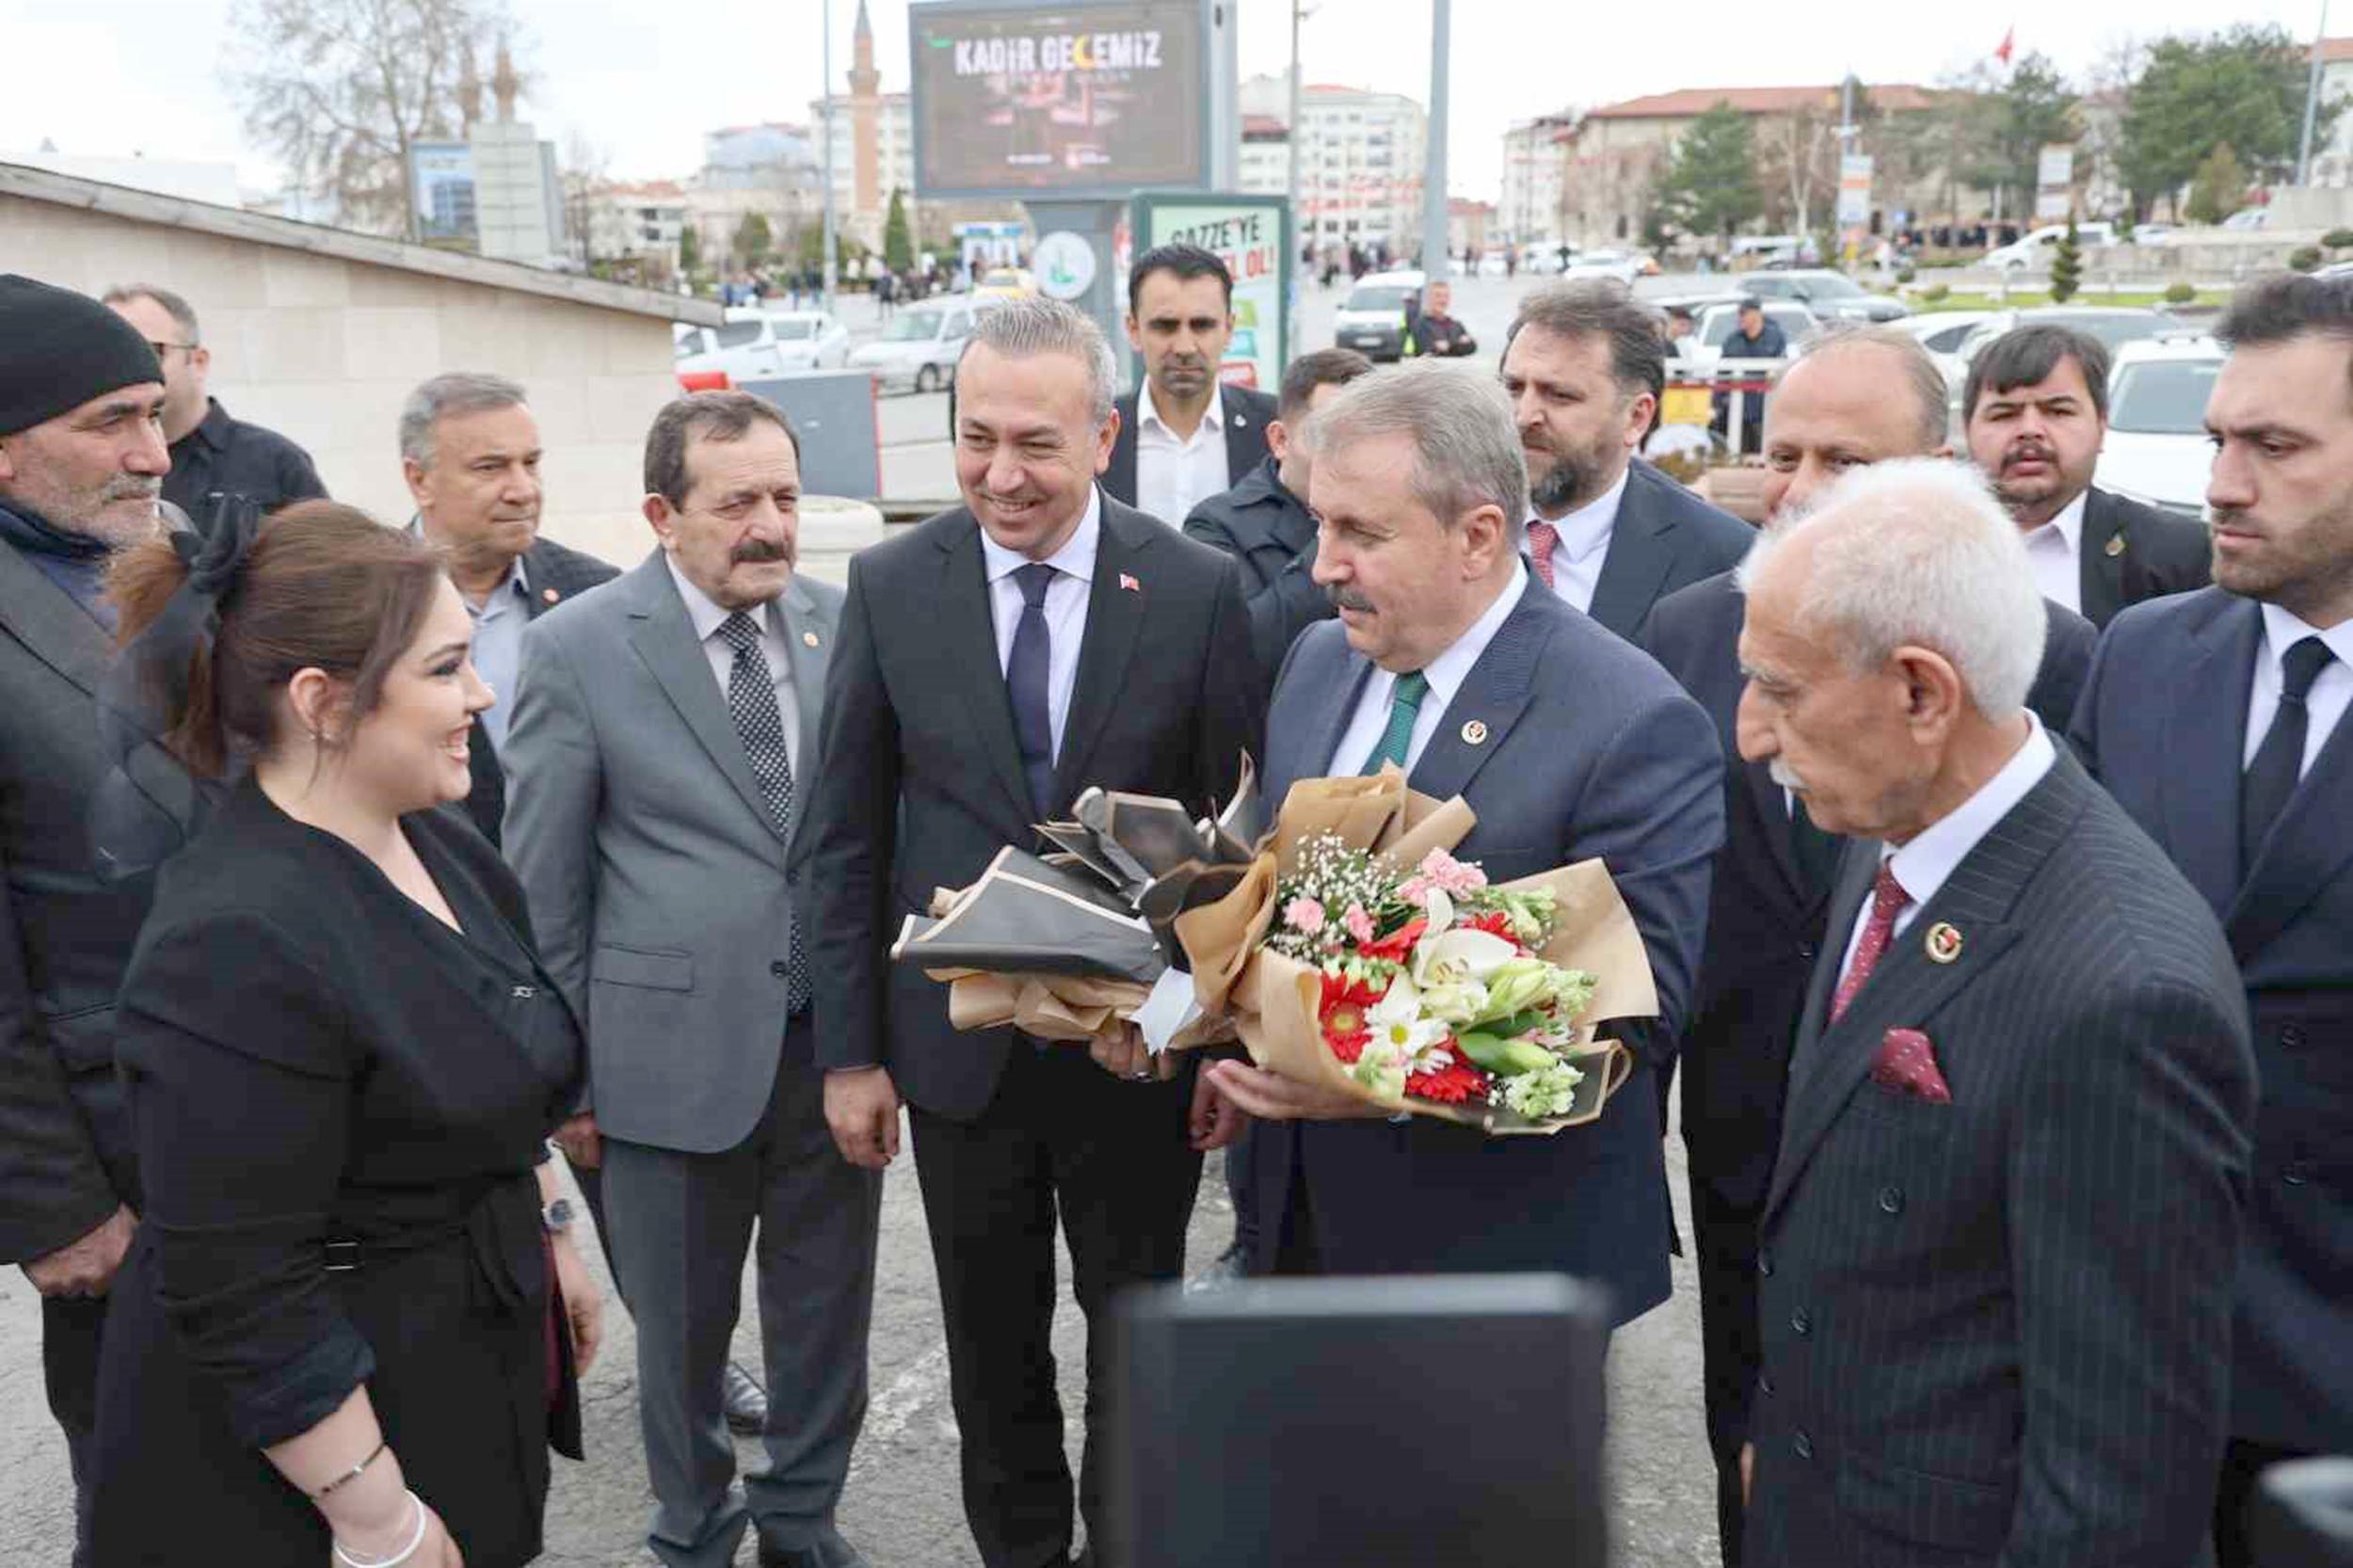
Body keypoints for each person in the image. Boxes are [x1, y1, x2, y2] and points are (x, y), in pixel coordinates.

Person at [804, 297, 1261, 1568]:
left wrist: (1196, 1028)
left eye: (1038, 444)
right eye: (975, 438)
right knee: (989, 1355)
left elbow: (1239, 852)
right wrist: (849, 1052)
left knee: (1137, 1345)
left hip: (1138, 1062)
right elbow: (841, 835)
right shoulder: (894, 583)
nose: (1002, 474)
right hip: (960, 1060)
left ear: (1105, 436)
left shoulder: (1196, 590)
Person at [1734, 458, 2254, 1568]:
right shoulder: (1890, 834)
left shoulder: (2122, 993)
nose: (1750, 734)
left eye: (1779, 690)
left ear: (1922, 694)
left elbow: (2117, 1478)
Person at [1635, 325, 2099, 1567]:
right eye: (1780, 451)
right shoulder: (1683, 631)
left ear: (1937, 472)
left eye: (1845, 459)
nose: (1794, 490)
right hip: (1747, 1140)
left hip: (1944, 1166)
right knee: (1751, 1442)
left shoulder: (2042, 654)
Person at [89, 502, 604, 1568]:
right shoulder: (232, 942)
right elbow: (238, 1280)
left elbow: (497, 1058)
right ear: (323, 702)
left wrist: (553, 1223)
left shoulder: (437, 833)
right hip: (312, 1450)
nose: (483, 693)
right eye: (446, 666)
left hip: (458, 1357)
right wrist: (379, 1521)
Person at [1205, 360, 1723, 1328]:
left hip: (1497, 1262)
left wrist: (1381, 1081)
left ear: (1479, 536)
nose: (1323, 565)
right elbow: (1286, 902)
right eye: (1320, 522)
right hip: (1296, 1226)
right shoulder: (1319, 661)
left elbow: (1631, 1015)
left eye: (1361, 532)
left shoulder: (1634, 720)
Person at [504, 392, 878, 1568]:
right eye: (738, 504)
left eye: (784, 498)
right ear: (664, 514)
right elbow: (543, 888)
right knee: (681, 1333)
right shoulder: (578, 647)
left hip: (830, 1050)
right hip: (657, 1060)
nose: (770, 526)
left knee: (825, 1323)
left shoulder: (842, 622)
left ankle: (802, 1520)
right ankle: (696, 1525)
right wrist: (562, 1078)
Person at [2068, 273, 2353, 1567]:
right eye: (2219, 442)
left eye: (2276, 448)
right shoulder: (2142, 656)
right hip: (2127, 1362)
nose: (2225, 485)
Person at [0, 274, 178, 1568]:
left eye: (157, 412)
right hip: (109, 1169)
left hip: (244, 1122)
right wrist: (53, 1203)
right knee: (153, 1500)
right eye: (113, 418)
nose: (151, 451)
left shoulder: (151, 565)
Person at [400, 373, 618, 850]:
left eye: (531, 463)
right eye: (490, 468)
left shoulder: (597, 596)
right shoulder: (368, 604)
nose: (523, 490)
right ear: (420, 480)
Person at [1498, 280, 1753, 639]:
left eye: (1560, 395)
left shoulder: (1723, 563)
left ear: (1637, 417)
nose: (1525, 416)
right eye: (1513, 388)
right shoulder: (1443, 516)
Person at [1961, 322, 2211, 627]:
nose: (2030, 431)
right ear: (1967, 430)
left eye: (2058, 411)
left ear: (2101, 426)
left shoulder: (2179, 555)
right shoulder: (1921, 550)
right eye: (2004, 414)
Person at [1182, 345, 1376, 686]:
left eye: (1366, 439)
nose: (1351, 457)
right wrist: (1337, 526)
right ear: (1280, 440)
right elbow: (1246, 651)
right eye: (1330, 437)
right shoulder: (1216, 525)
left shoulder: (1392, 517)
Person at [102, 282, 328, 517]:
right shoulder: (90, 462)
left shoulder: (276, 461)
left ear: (198, 362)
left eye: (149, 352)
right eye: (110, 355)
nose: (126, 370)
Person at [1105, 243, 1278, 525]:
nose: (1185, 347)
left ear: (1229, 329)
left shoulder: (1275, 429)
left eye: (1201, 325)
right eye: (1165, 326)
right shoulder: (1095, 434)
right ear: (1133, 330)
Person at [1721, 298, 1788, 456]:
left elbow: (1782, 371)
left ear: (1757, 313)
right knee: (1737, 450)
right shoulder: (1732, 340)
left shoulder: (1775, 338)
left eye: (1744, 314)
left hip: (1764, 407)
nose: (1740, 318)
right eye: (1739, 314)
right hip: (1738, 408)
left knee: (1765, 450)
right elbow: (1723, 375)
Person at [1407, 279, 1478, 359]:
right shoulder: (1420, 324)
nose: (1442, 300)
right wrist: (1458, 344)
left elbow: (1472, 347)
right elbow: (1425, 349)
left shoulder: (1456, 325)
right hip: (1432, 370)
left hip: (1455, 370)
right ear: (1428, 299)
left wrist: (1447, 346)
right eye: (1438, 296)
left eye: (1446, 296)